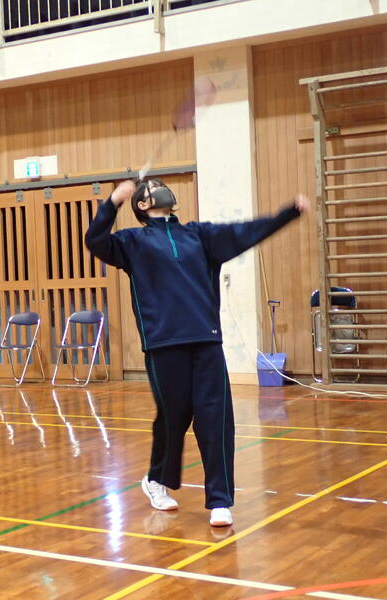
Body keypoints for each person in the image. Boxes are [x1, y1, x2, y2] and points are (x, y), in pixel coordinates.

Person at [85, 178, 310, 527]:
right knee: (173, 418)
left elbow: (244, 232)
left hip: (206, 340)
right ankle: (156, 479)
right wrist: (113, 201)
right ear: (142, 205)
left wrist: (288, 214)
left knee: (215, 418)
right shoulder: (132, 242)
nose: (161, 187)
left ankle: (220, 500)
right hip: (162, 344)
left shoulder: (199, 235)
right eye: (153, 186)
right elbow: (95, 241)